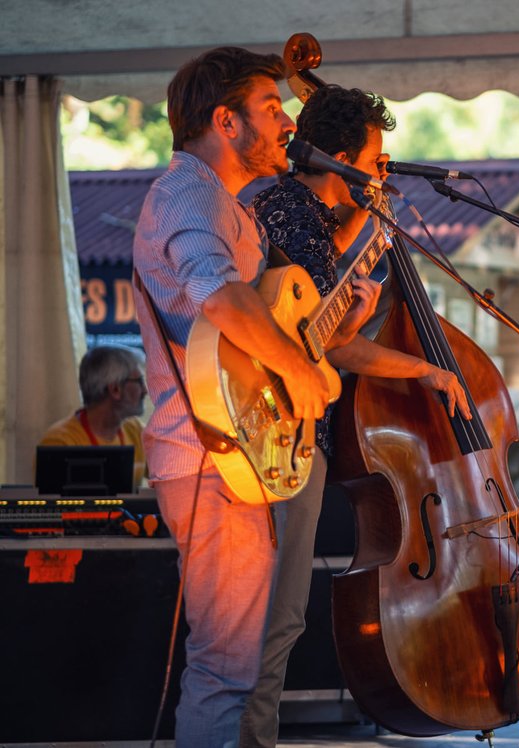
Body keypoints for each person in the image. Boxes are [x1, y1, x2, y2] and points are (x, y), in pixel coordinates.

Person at [131, 47, 378, 747]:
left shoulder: (227, 206)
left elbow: (255, 325)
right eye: (272, 109)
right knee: (225, 671)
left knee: (236, 666)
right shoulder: (191, 193)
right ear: (225, 121)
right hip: (207, 458)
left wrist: (334, 329)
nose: (286, 122)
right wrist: (299, 375)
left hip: (232, 454)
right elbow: (218, 294)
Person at [250, 84, 468, 455]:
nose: (378, 170)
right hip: (291, 433)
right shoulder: (302, 227)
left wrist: (369, 195)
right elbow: (330, 347)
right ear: (340, 160)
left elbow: (328, 252)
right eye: (372, 162)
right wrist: (425, 369)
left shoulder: (286, 204)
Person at [39, 345, 148, 487]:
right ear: (115, 389)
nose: (145, 390)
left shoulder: (136, 430)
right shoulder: (59, 442)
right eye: (139, 381)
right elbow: (54, 507)